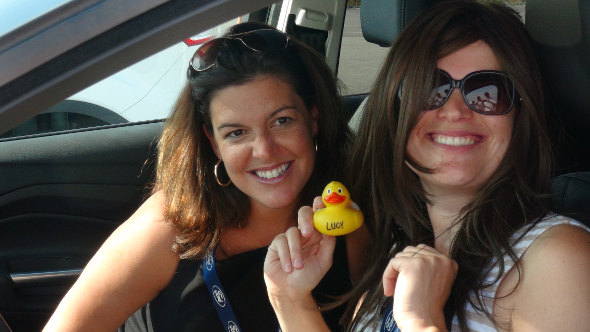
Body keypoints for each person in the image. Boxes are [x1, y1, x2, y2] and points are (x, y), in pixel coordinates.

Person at [263, 1, 590, 332]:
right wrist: (291, 299)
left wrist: (421, 322)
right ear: (394, 110)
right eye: (429, 87)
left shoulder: (558, 261)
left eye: (488, 91)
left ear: (521, 116)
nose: (455, 110)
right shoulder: (397, 248)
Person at [43, 22, 368, 332]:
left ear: (313, 120)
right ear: (213, 142)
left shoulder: (346, 221)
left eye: (281, 121)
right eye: (237, 133)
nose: (265, 150)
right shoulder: (169, 225)